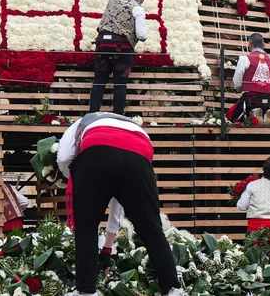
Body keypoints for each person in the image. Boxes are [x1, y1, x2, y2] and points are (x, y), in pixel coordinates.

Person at [56, 110, 185, 296]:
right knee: (151, 228)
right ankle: (173, 289)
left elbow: (63, 158)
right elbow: (119, 202)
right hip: (139, 155)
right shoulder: (133, 126)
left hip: (97, 151)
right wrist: (107, 248)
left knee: (87, 226)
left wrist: (76, 180)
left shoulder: (80, 122)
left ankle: (85, 291)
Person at [91, 0, 150, 115]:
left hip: (102, 46)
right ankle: (117, 117)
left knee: (99, 82)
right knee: (120, 85)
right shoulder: (137, 9)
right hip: (122, 49)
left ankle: (92, 115)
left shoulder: (112, 1)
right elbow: (142, 35)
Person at [227, 33, 270, 124]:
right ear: (263, 46)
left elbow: (237, 78)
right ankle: (264, 117)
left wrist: (240, 89)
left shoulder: (245, 59)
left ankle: (255, 116)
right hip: (266, 98)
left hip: (250, 97)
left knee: (232, 116)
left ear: (250, 45)